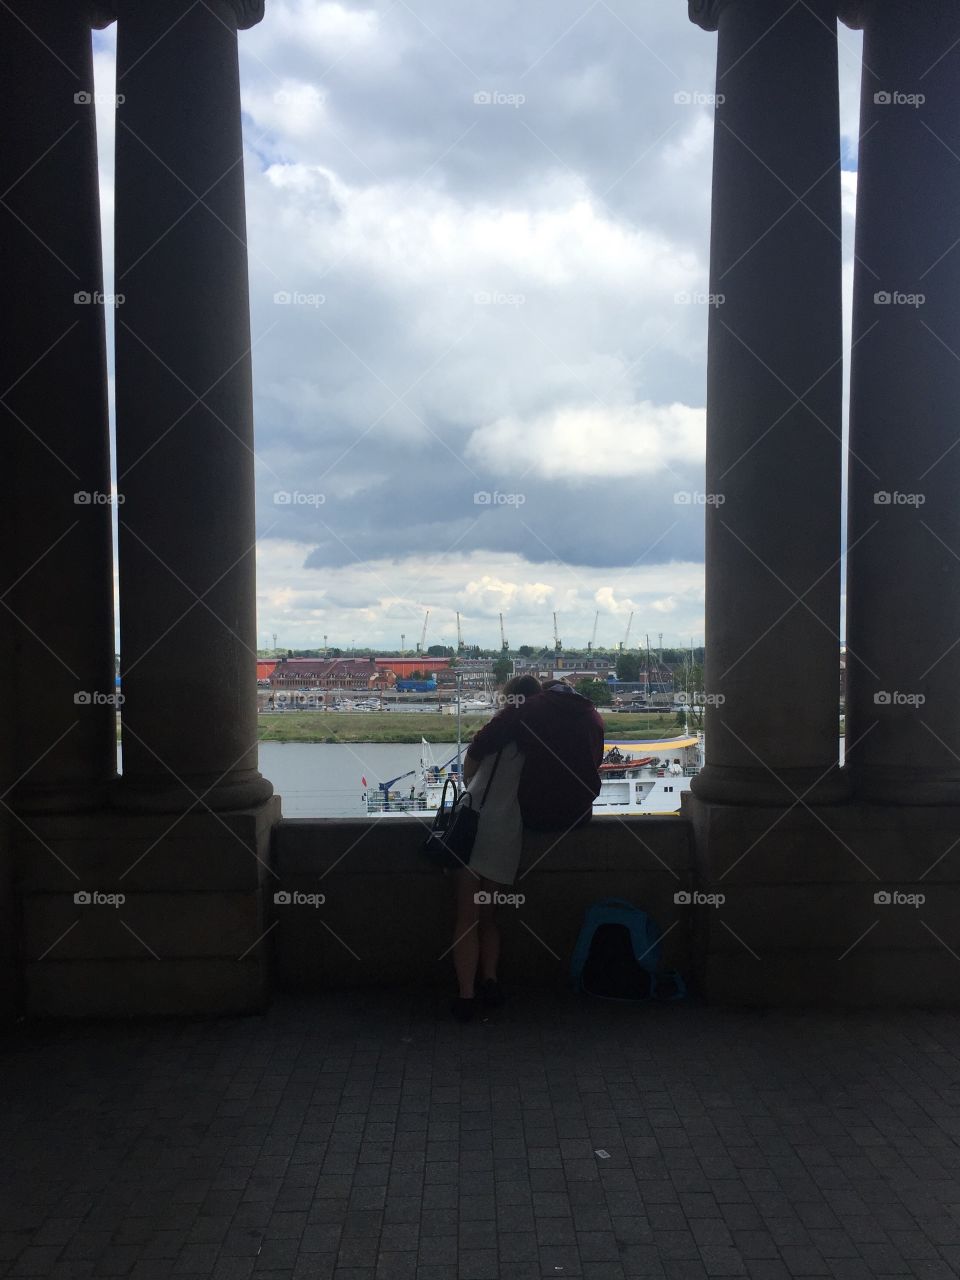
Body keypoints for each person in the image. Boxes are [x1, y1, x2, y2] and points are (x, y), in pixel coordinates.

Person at [449, 674, 541, 1022]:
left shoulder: (495, 734)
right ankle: (491, 981)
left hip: (475, 828)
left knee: (466, 917)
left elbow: (468, 775)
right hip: (508, 832)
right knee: (490, 916)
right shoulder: (537, 740)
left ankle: (466, 995)